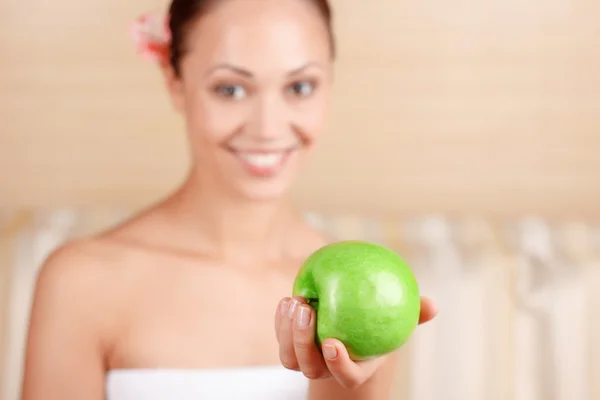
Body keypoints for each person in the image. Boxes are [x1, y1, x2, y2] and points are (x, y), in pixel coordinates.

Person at [20, 0, 437, 399]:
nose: (268, 128)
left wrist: (350, 390)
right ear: (174, 82)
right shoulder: (81, 282)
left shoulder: (377, 293)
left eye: (300, 86)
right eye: (231, 90)